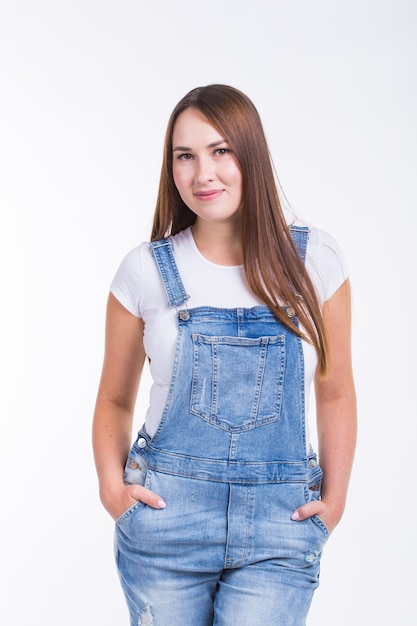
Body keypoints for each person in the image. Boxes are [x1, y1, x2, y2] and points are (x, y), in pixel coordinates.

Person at [92, 84, 357, 626]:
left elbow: (336, 389)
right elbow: (115, 399)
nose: (201, 174)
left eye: (219, 151)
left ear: (250, 155)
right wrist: (112, 489)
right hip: (167, 524)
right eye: (184, 156)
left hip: (280, 524)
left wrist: (335, 499)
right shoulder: (145, 270)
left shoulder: (317, 262)